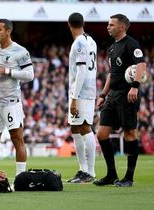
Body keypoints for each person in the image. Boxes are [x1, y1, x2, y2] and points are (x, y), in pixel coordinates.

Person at [94, 14, 146, 187]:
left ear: (122, 27)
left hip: (127, 93)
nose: (108, 27)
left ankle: (129, 178)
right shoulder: (112, 48)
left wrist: (135, 86)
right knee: (101, 133)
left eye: (111, 24)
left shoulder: (131, 44)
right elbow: (111, 74)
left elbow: (141, 65)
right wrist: (102, 95)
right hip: (113, 95)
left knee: (130, 133)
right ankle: (111, 174)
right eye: (108, 24)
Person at [0, 19, 34, 176]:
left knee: (17, 140)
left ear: (8, 31)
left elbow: (30, 75)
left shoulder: (21, 51)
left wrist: (8, 71)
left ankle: (20, 177)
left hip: (11, 102)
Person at [65, 13, 97, 183]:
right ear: (83, 23)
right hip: (88, 89)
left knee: (84, 127)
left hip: (82, 92)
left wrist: (74, 97)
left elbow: (82, 70)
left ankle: (90, 172)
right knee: (75, 128)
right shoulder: (91, 40)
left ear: (69, 24)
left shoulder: (78, 43)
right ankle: (82, 169)